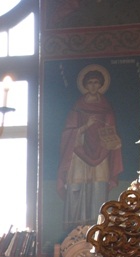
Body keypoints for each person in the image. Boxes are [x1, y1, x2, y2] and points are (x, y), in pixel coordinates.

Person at [56, 66, 123, 230]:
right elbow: (68, 132)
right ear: (85, 85)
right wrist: (86, 125)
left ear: (101, 85)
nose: (93, 85)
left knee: (99, 186)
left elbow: (111, 129)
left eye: (96, 82)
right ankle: (75, 229)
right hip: (79, 151)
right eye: (90, 82)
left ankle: (97, 228)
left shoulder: (106, 107)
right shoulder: (78, 106)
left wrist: (114, 142)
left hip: (101, 151)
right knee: (77, 186)